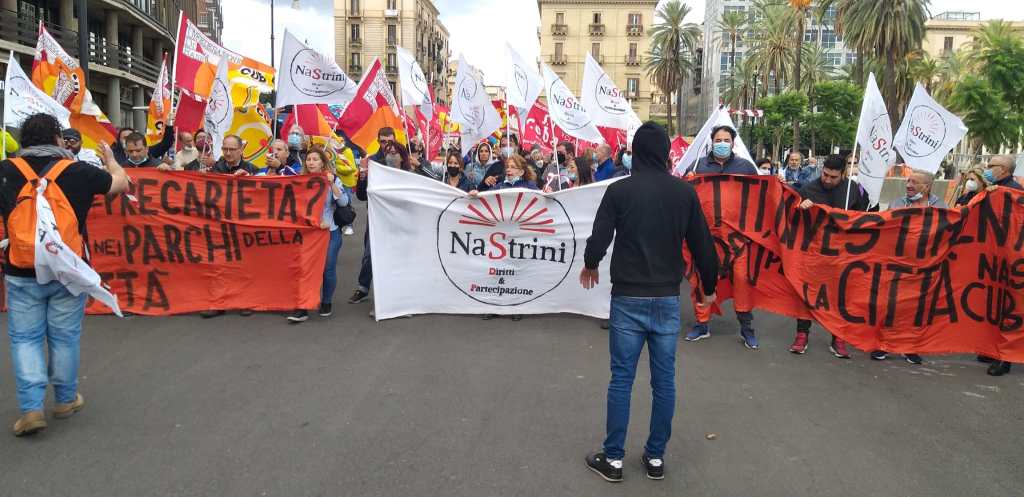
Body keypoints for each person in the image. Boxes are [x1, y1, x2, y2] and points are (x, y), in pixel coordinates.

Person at [580, 122, 718, 482]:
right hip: (666, 299)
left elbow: (599, 236)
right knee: (665, 382)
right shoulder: (683, 194)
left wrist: (591, 264)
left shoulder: (619, 191)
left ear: (635, 152)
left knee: (621, 380)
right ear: (666, 153)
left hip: (627, 297)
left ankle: (613, 459)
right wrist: (710, 285)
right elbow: (703, 244)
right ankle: (655, 457)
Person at [0, 113, 130, 436]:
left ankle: (31, 409)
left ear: (23, 142)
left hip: (21, 269)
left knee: (25, 338)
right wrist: (111, 161)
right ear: (58, 139)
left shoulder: (4, 172)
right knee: (65, 336)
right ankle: (65, 399)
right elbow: (121, 183)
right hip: (67, 269)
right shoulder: (77, 171)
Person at [789, 155, 869, 358]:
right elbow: (792, 219)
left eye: (833, 177)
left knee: (840, 297)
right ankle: (802, 334)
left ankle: (837, 337)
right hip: (814, 252)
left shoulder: (855, 191)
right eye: (825, 174)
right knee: (806, 294)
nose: (827, 179)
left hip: (843, 255)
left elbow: (867, 219)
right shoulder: (808, 189)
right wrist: (800, 208)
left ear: (843, 174)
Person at [687, 125, 759, 349]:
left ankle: (747, 328)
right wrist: (688, 180)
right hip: (706, 236)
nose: (722, 143)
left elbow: (760, 195)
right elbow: (684, 194)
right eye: (718, 139)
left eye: (726, 140)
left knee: (742, 281)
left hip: (738, 238)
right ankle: (701, 324)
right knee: (702, 279)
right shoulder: (698, 166)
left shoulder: (746, 167)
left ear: (733, 142)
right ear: (711, 141)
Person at [873, 169, 947, 364]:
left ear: (927, 186)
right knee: (890, 305)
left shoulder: (940, 206)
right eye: (908, 181)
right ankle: (883, 345)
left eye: (914, 182)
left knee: (916, 309)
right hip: (897, 264)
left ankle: (909, 347)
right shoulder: (897, 203)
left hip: (925, 267)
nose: (908, 185)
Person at [287, 147, 350, 323]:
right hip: (308, 233)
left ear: (322, 162)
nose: (311, 162)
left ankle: (326, 301)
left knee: (327, 268)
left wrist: (331, 183)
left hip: (329, 232)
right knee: (304, 269)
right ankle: (303, 307)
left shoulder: (333, 179)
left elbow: (344, 202)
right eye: (308, 159)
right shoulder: (300, 181)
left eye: (315, 159)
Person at [978, 155, 1023, 376]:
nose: (987, 169)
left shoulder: (1013, 193)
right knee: (995, 308)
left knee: (1010, 310)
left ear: (1003, 170)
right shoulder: (995, 188)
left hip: (1011, 262)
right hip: (996, 260)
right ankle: (992, 350)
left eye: (991, 166)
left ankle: (1005, 359)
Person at [472, 154, 538, 193]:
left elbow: (542, 198)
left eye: (513, 167)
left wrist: (547, 192)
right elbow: (486, 196)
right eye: (507, 167)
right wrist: (476, 194)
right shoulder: (500, 186)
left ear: (521, 172)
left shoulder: (530, 185)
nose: (508, 169)